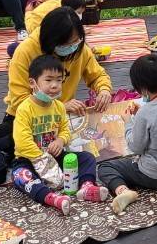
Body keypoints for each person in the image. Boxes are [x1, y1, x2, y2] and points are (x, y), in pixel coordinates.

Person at [0, 8, 113, 159]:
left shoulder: (79, 49)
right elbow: (19, 100)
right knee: (13, 152)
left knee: (82, 155)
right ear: (51, 42)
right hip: (28, 117)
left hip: (62, 119)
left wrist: (103, 90)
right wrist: (60, 106)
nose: (72, 47)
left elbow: (97, 75)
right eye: (67, 44)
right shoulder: (25, 52)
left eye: (76, 42)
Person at [10, 55, 108, 213]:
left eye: (59, 80)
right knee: (20, 175)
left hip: (55, 155)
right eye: (48, 80)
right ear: (32, 83)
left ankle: (87, 187)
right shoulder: (24, 109)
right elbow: (22, 141)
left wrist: (61, 141)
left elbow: (64, 129)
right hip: (30, 159)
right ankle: (51, 198)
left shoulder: (59, 106)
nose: (54, 85)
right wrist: (43, 161)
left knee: (86, 158)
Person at [98, 54, 157, 215]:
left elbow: (135, 147)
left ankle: (123, 191)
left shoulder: (145, 113)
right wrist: (140, 117)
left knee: (105, 167)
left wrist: (128, 122)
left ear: (143, 89)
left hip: (154, 175)